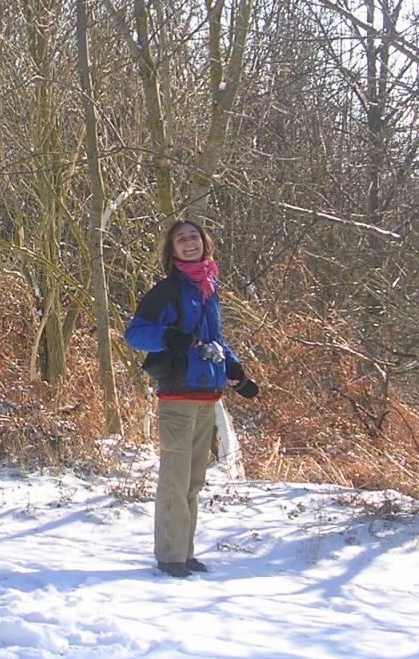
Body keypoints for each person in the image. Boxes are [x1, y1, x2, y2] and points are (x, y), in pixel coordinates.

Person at [124, 219, 258, 578]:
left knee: (194, 480)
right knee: (175, 478)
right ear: (172, 251)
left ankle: (185, 553)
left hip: (206, 397)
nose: (189, 242)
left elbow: (216, 340)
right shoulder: (167, 291)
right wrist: (170, 337)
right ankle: (170, 557)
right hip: (177, 396)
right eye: (180, 239)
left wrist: (236, 372)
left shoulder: (208, 288)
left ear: (205, 243)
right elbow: (134, 334)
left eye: (194, 237)